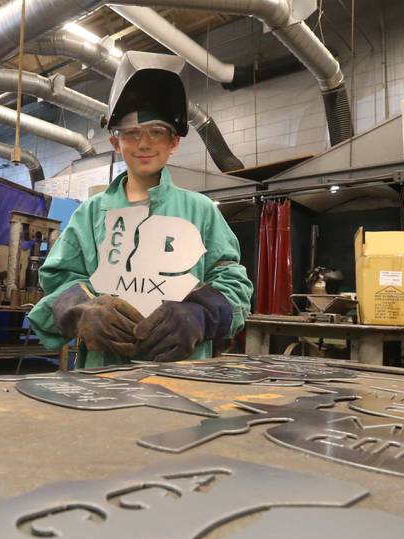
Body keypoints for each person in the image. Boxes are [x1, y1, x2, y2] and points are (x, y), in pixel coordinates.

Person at [28, 51, 253, 368]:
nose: (144, 143)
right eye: (131, 133)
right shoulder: (90, 215)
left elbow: (234, 287)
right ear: (115, 142)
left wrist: (201, 314)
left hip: (184, 376)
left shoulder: (202, 212)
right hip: (102, 377)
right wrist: (81, 310)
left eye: (157, 131)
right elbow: (58, 283)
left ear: (174, 142)